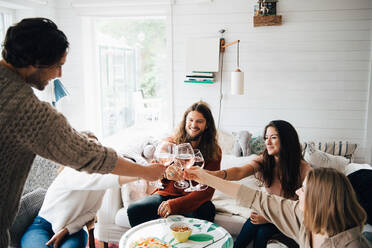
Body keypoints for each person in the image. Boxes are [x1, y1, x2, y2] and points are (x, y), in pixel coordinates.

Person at [0, 18, 165, 247]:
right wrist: (146, 172)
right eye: (58, 65)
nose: (58, 74)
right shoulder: (25, 108)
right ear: (35, 61)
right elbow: (91, 157)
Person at [185, 167, 372, 248]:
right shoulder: (302, 217)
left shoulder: (354, 245)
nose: (298, 191)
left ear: (319, 201)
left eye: (304, 190)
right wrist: (204, 177)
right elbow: (254, 197)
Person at [210, 120, 312, 248]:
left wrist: (269, 217)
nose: (267, 142)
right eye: (266, 138)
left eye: (273, 137)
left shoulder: (304, 169)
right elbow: (240, 172)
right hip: (269, 213)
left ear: (287, 140)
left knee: (262, 231)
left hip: (289, 220)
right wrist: (214, 175)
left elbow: (306, 210)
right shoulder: (266, 159)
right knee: (253, 223)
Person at [127, 101, 221, 227]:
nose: (194, 125)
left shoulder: (214, 151)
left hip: (193, 199)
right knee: (135, 209)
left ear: (207, 125)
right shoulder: (171, 143)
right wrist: (165, 172)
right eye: (190, 120)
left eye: (199, 121)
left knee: (207, 210)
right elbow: (157, 169)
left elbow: (207, 192)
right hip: (165, 194)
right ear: (185, 122)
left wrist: (175, 205)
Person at [21, 165, 139, 248]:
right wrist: (141, 173)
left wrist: (67, 230)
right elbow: (97, 181)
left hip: (72, 231)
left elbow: (91, 213)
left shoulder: (100, 184)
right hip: (42, 227)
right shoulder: (70, 172)